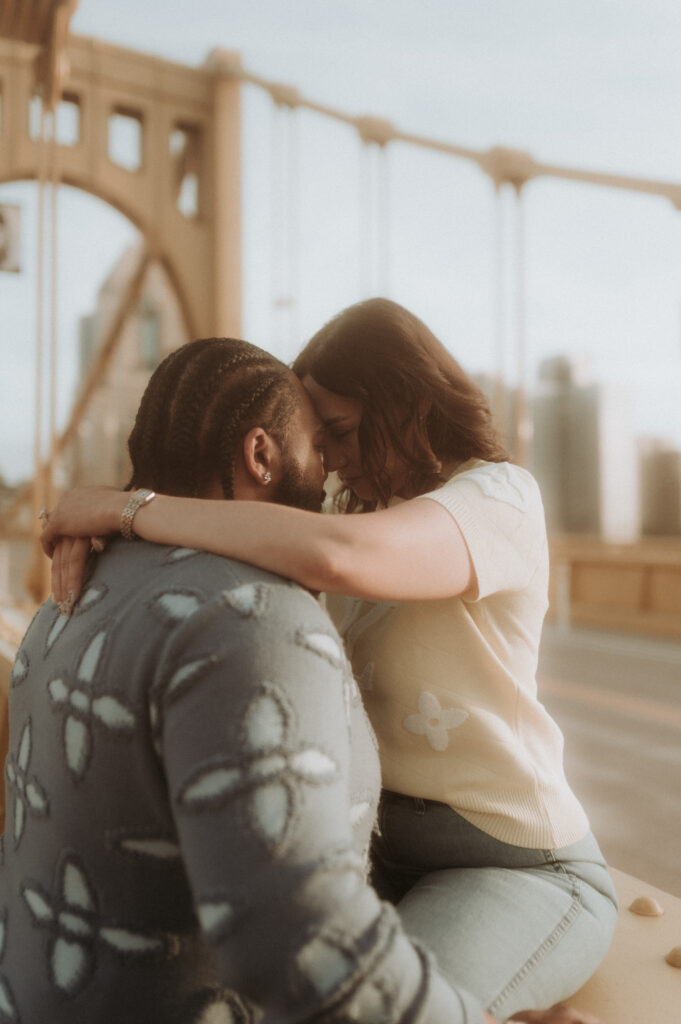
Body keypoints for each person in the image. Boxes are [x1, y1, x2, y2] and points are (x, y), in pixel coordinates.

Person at [42, 304, 618, 1023]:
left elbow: (336, 558)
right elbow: (225, 548)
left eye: (340, 434)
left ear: (406, 406)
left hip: (505, 864)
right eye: (320, 440)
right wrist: (109, 554)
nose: (330, 460)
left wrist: (123, 510)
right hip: (376, 860)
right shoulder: (344, 504)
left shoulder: (497, 498)